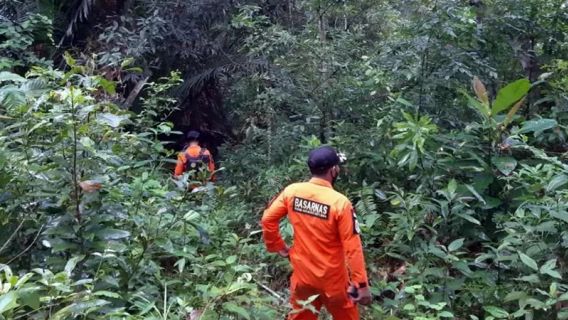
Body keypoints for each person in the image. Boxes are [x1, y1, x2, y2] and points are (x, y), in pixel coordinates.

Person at [261, 146, 372, 320]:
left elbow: (268, 219)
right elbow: (353, 248)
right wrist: (361, 284)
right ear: (333, 170)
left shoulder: (293, 191)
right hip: (334, 282)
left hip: (303, 277)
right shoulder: (340, 203)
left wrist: (278, 246)